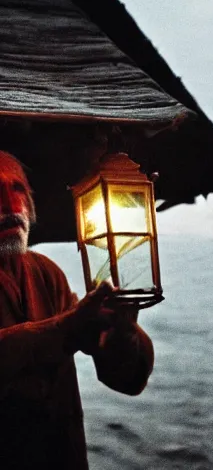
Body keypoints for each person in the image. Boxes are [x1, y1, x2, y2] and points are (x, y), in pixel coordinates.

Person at [0, 150, 155, 469]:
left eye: (17, 190)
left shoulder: (46, 273)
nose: (9, 206)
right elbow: (68, 328)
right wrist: (64, 329)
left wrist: (121, 331)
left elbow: (124, 379)